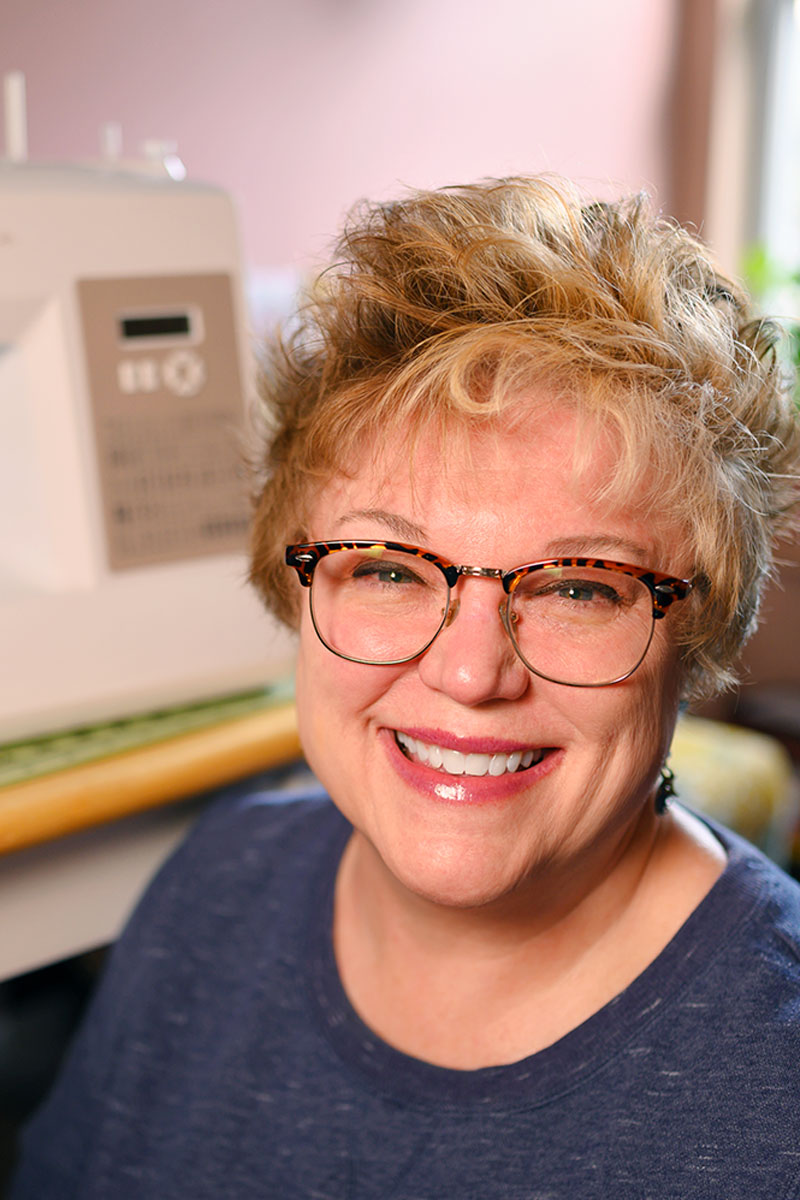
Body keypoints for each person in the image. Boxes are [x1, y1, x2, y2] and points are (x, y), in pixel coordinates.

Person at [12, 176, 800, 1198]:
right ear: (292, 580)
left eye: (576, 587)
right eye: (387, 569)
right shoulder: (210, 894)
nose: (469, 674)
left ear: (690, 635)